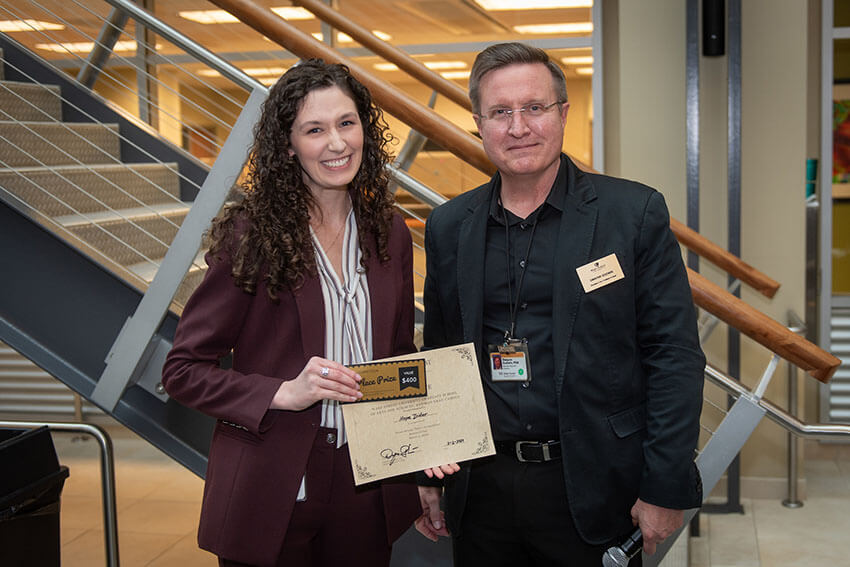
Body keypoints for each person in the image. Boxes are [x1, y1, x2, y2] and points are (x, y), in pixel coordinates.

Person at [416, 42, 705, 566]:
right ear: (478, 123)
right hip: (481, 490)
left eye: (534, 107)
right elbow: (439, 354)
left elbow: (674, 356)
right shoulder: (449, 226)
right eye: (500, 112)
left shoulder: (632, 213)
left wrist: (665, 484)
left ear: (563, 114)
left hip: (595, 489)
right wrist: (428, 469)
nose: (518, 127)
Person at [161, 59, 420, 567]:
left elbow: (398, 358)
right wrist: (283, 392)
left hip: (366, 483)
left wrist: (421, 458)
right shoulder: (251, 234)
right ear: (288, 145)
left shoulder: (390, 232)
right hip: (274, 482)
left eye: (347, 123)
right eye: (314, 130)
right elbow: (183, 371)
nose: (337, 143)